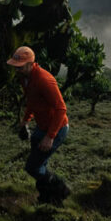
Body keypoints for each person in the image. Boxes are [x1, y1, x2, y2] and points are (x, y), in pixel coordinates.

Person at [8, 45, 71, 205]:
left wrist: (50, 137)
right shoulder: (25, 78)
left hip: (56, 129)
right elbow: (32, 101)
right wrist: (26, 120)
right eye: (15, 67)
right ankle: (48, 198)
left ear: (30, 64)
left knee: (33, 167)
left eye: (20, 67)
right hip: (41, 127)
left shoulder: (44, 79)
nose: (17, 70)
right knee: (39, 163)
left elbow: (61, 109)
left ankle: (61, 188)